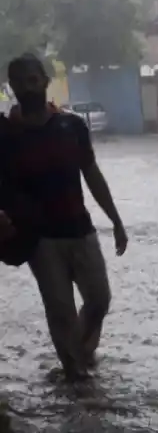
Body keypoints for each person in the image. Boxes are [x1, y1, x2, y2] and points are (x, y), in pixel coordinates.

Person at [0, 54, 128, 381]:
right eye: (19, 82)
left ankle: (81, 352)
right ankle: (75, 376)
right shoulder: (6, 134)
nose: (27, 88)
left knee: (99, 299)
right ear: (12, 87)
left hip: (80, 229)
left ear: (45, 81)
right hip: (40, 239)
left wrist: (115, 219)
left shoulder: (70, 125)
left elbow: (91, 172)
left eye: (32, 80)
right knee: (60, 310)